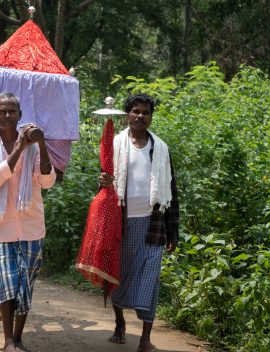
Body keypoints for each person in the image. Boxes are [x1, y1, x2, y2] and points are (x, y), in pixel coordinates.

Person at [99, 93, 180, 352]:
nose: (140, 116)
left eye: (145, 112)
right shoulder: (116, 144)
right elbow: (104, 182)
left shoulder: (161, 149)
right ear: (127, 115)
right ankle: (120, 322)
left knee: (150, 280)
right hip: (121, 222)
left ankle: (145, 339)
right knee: (117, 275)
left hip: (152, 223)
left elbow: (170, 191)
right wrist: (102, 182)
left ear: (150, 117)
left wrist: (173, 232)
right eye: (135, 111)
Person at [0, 92, 56, 352]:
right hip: (2, 227)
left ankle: (19, 338)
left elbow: (47, 181)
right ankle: (8, 340)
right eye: (3, 111)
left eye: (12, 111)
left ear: (20, 115)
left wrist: (41, 144)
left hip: (32, 225)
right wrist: (20, 147)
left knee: (25, 286)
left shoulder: (34, 146)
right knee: (7, 284)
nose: (8, 115)